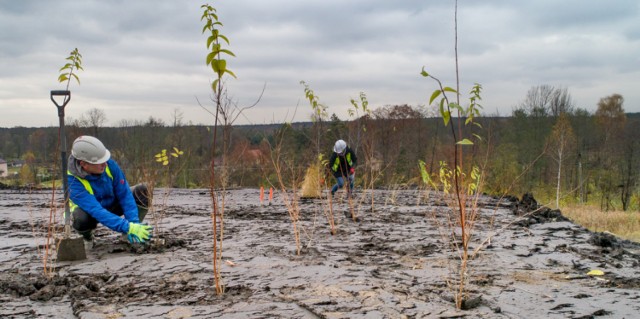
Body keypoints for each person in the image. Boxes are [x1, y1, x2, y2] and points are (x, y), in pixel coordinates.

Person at [67, 135, 152, 250]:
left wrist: (133, 224)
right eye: (99, 162)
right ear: (83, 164)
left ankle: (130, 235)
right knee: (80, 217)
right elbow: (96, 210)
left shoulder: (109, 164)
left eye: (105, 160)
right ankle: (86, 238)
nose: (105, 164)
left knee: (142, 190)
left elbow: (125, 195)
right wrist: (127, 227)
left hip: (112, 204)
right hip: (90, 214)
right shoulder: (72, 182)